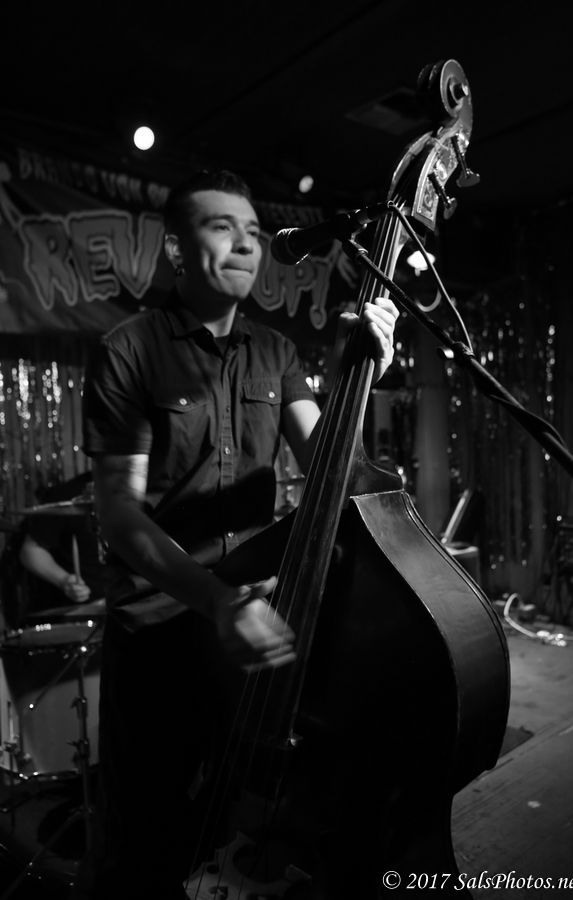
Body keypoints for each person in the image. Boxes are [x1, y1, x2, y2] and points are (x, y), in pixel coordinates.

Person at [74, 168, 398, 900]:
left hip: (252, 626)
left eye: (253, 232)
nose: (247, 245)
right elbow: (118, 515)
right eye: (223, 228)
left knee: (243, 836)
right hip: (159, 632)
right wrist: (216, 599)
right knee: (144, 847)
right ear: (176, 250)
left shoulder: (276, 352)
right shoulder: (130, 348)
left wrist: (356, 379)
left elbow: (334, 471)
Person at [18, 471, 105, 616]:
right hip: (81, 612)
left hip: (129, 607)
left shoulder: (140, 495)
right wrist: (64, 580)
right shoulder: (67, 493)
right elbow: (30, 551)